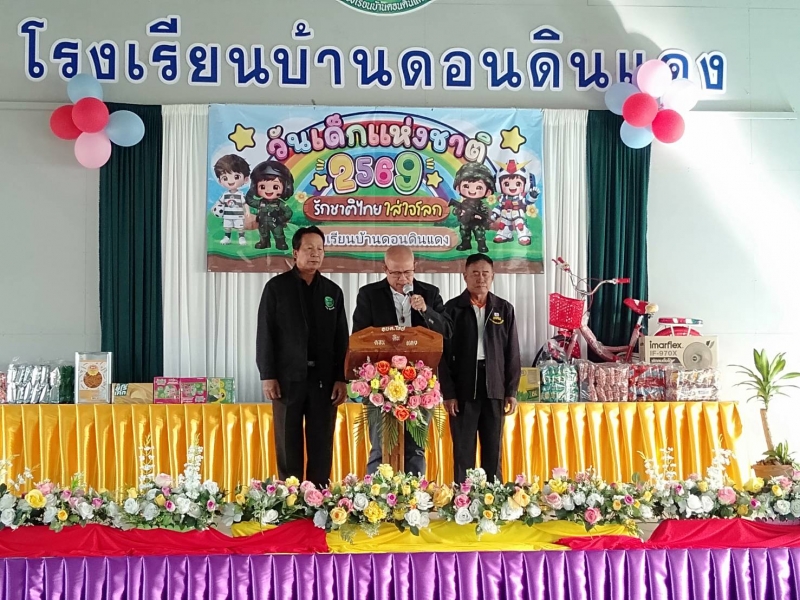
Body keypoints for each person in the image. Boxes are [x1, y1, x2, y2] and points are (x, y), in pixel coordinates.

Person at [256, 226, 349, 487]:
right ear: (295, 252)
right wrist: (267, 375)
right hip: (287, 381)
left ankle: (319, 497)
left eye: (320, 249)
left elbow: (342, 339)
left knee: (322, 445)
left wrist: (342, 379)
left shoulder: (332, 292)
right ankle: (291, 499)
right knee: (288, 446)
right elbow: (265, 334)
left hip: (324, 383)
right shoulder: (276, 288)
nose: (315, 254)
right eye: (309, 249)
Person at [352, 245, 452, 476]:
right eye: (396, 273)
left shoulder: (430, 293)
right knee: (381, 446)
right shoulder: (369, 294)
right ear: (384, 268)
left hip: (420, 382)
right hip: (380, 381)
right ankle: (377, 493)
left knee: (415, 448)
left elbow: (447, 331)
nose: (402, 279)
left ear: (415, 267)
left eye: (407, 272)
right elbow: (359, 338)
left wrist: (426, 310)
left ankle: (414, 493)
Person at [440, 253, 521, 483]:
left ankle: (493, 498)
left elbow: (512, 353)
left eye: (485, 273)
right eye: (475, 273)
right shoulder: (451, 309)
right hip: (463, 390)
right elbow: (442, 356)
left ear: (493, 276)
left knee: (493, 452)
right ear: (464, 276)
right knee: (463, 452)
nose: (480, 278)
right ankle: (462, 498)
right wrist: (449, 393)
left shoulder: (504, 308)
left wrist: (511, 391)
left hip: (494, 388)